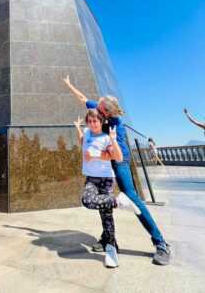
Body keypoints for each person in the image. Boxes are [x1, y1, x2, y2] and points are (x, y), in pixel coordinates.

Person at [63, 76, 171, 266]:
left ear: (110, 112)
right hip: (103, 162)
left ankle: (160, 243)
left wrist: (94, 155)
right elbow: (83, 99)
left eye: (102, 111)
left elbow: (116, 156)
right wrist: (69, 84)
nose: (98, 112)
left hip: (119, 160)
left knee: (132, 197)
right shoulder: (100, 109)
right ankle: (108, 239)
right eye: (99, 108)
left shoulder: (116, 124)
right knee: (102, 199)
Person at [76, 109, 140, 268]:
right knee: (87, 200)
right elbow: (83, 141)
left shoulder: (106, 137)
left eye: (95, 121)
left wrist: (110, 142)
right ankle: (118, 201)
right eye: (89, 121)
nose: (92, 124)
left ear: (101, 121)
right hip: (91, 178)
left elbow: (117, 157)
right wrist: (77, 127)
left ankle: (111, 248)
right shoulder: (87, 132)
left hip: (105, 179)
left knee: (106, 216)